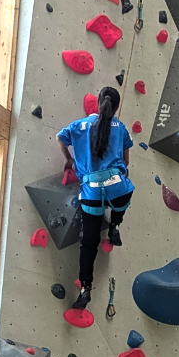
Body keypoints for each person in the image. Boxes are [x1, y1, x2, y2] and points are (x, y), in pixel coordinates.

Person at [57, 85, 134, 310]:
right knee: (124, 196)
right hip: (116, 186)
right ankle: (115, 227)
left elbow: (60, 138)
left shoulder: (80, 125)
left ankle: (85, 289)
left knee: (88, 244)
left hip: (90, 190)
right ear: (116, 107)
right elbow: (126, 162)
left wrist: (69, 160)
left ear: (98, 103)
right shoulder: (120, 128)